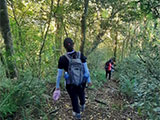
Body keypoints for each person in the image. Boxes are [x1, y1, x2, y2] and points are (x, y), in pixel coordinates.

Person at [53, 38, 92, 119]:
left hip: (70, 83)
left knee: (73, 98)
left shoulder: (62, 58)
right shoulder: (80, 55)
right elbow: (86, 69)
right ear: (73, 44)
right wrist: (89, 80)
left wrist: (57, 86)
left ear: (64, 47)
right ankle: (83, 104)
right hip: (82, 81)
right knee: (81, 93)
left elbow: (59, 75)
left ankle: (77, 114)